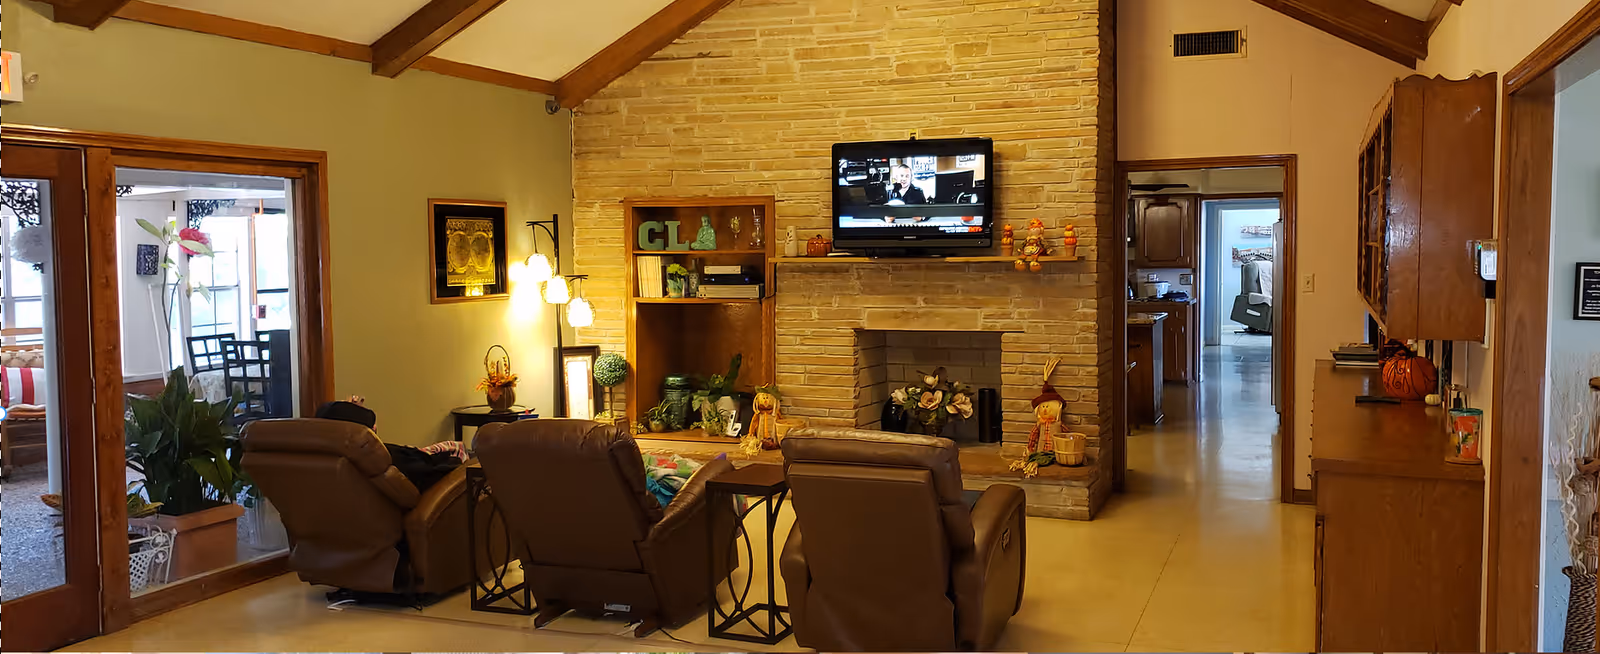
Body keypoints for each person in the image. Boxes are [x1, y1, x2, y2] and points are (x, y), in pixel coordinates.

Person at [315, 395, 465, 492]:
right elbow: (434, 470)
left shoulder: (323, 461)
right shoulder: (383, 461)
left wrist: (347, 410)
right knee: (459, 451)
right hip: (429, 473)